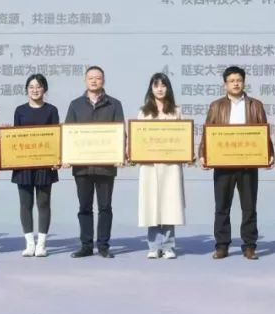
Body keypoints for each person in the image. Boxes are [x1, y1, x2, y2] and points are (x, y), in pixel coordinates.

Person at [203, 66, 268, 260]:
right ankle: (222, 246)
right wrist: (204, 154)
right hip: (223, 164)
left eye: (239, 80)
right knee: (222, 207)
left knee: (249, 207)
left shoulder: (255, 105)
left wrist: (269, 153)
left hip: (248, 164)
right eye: (231, 81)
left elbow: (263, 132)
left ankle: (249, 246)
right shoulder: (216, 106)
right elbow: (208, 131)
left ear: (244, 82)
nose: (236, 84)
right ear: (225, 85)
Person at [65, 66, 125, 258]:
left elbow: (120, 134)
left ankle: (104, 246)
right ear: (85, 80)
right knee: (84, 207)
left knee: (105, 207)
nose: (94, 81)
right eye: (90, 78)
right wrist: (67, 156)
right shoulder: (75, 105)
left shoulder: (114, 104)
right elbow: (68, 134)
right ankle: (86, 246)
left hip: (105, 167)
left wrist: (120, 155)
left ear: (103, 81)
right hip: (82, 167)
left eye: (98, 78)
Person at [135, 73, 186, 259]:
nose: (160, 89)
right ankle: (154, 246)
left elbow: (184, 137)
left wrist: (187, 152)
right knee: (151, 205)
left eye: (163, 85)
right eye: (156, 85)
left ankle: (169, 246)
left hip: (171, 166)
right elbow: (137, 138)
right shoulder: (144, 112)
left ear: (168, 88)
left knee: (169, 204)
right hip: (149, 166)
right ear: (151, 88)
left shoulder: (176, 111)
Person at [11, 73, 61, 258]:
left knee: (43, 203)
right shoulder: (19, 110)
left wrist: (56, 158)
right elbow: (14, 138)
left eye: (38, 86)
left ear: (44, 89)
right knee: (25, 204)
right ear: (26, 90)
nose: (35, 90)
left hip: (44, 165)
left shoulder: (51, 110)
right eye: (31, 87)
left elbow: (56, 137)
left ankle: (41, 244)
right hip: (23, 165)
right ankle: (29, 244)